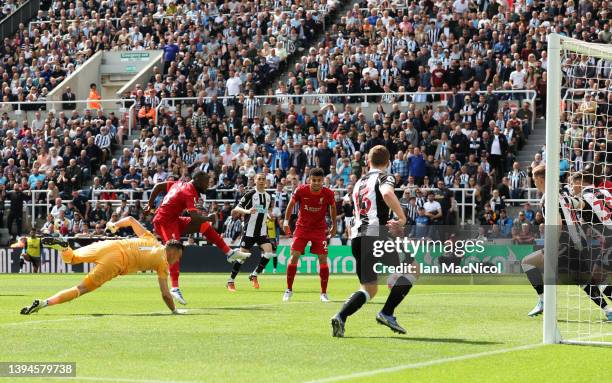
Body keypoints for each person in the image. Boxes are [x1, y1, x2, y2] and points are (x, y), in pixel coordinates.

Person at [20, 216, 186, 315]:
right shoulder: (162, 262)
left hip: (109, 245)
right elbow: (165, 294)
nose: (177, 261)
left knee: (71, 258)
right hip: (116, 261)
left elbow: (130, 220)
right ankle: (44, 303)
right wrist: (174, 310)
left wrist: (115, 226)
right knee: (81, 289)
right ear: (172, 251)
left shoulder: (151, 238)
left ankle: (64, 246)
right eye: (178, 257)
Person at [331, 145, 415, 337]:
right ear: (387, 162)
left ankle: (341, 316)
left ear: (368, 161)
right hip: (376, 234)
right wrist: (401, 219)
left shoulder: (359, 182)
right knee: (414, 269)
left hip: (357, 237)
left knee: (369, 288)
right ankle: (387, 313)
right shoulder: (385, 176)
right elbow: (387, 193)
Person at [146, 171, 250, 304]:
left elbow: (158, 187)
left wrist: (150, 205)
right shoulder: (189, 192)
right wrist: (209, 217)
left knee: (204, 226)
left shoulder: (179, 183)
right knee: (175, 248)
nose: (208, 186)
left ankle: (229, 253)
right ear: (198, 181)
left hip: (174, 219)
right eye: (206, 183)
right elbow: (194, 217)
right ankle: (175, 288)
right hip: (164, 221)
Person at [282, 167, 336, 302]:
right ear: (309, 180)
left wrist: (334, 225)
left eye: (319, 180)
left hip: (319, 229)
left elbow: (333, 207)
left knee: (323, 258)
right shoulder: (301, 190)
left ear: (323, 181)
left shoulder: (328, 193)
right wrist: (286, 222)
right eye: (314, 180)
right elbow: (291, 204)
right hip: (302, 228)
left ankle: (323, 293)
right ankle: (288, 289)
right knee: (294, 256)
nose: (317, 183)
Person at [227, 173, 275, 291]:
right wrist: (247, 211)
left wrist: (269, 215)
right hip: (249, 231)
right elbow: (237, 208)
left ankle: (254, 274)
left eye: (263, 179)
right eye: (259, 179)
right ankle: (230, 281)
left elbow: (266, 210)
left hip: (261, 232)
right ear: (255, 180)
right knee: (242, 258)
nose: (262, 181)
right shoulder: (250, 194)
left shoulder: (268, 196)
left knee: (269, 252)